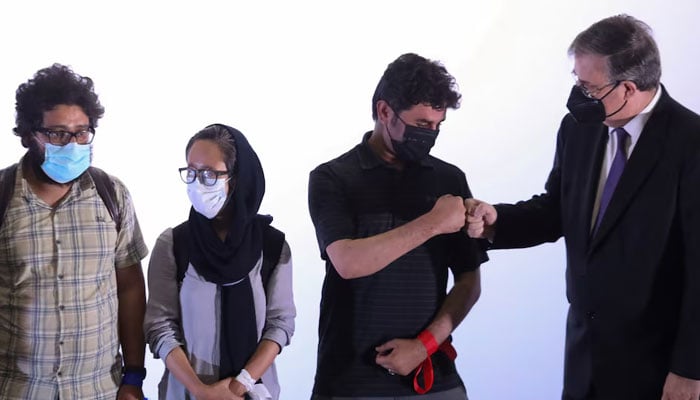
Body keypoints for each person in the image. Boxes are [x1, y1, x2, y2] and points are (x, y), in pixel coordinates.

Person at [465, 15, 700, 400]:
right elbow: (556, 210)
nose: (578, 96)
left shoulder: (691, 143)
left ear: (627, 87)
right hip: (584, 354)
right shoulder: (577, 129)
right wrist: (497, 220)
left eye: (588, 87)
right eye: (576, 81)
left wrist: (691, 369)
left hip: (659, 364)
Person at [308, 53, 486, 400]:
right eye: (421, 123)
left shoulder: (449, 179)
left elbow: (469, 280)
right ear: (384, 111)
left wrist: (424, 345)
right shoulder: (333, 177)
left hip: (433, 378)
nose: (430, 134)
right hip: (349, 381)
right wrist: (434, 223)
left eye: (437, 125)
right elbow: (347, 262)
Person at [0, 64, 149, 399]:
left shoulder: (112, 194)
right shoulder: (2, 195)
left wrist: (134, 377)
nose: (72, 144)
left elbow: (130, 289)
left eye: (82, 132)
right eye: (57, 134)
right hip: (18, 388)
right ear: (29, 135)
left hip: (99, 388)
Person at [144, 124, 295, 400]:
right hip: (186, 394)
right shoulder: (174, 244)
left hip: (254, 392)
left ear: (236, 179)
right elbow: (160, 327)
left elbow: (280, 324)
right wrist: (201, 391)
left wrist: (236, 388)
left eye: (209, 174)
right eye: (191, 172)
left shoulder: (271, 246)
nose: (197, 182)